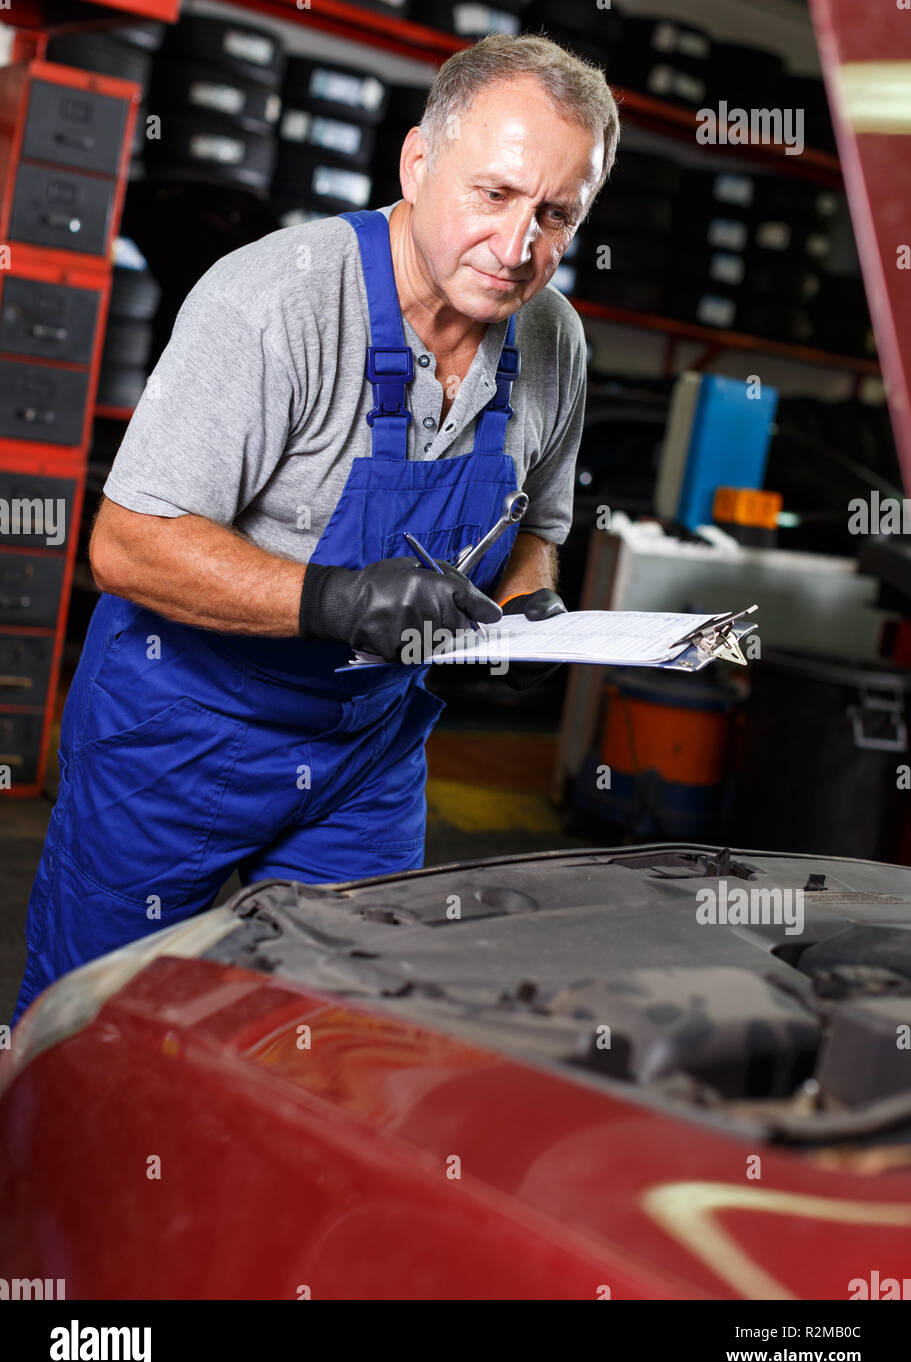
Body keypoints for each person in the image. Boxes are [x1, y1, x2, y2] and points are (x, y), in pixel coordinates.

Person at [12, 33, 619, 1023]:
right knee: (86, 1028)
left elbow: (534, 534)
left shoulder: (554, 341)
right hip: (180, 739)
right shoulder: (275, 300)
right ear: (417, 163)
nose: (519, 249)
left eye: (556, 215)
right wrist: (327, 598)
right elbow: (124, 543)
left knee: (340, 1033)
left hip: (365, 761)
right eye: (494, 196)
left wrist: (529, 610)